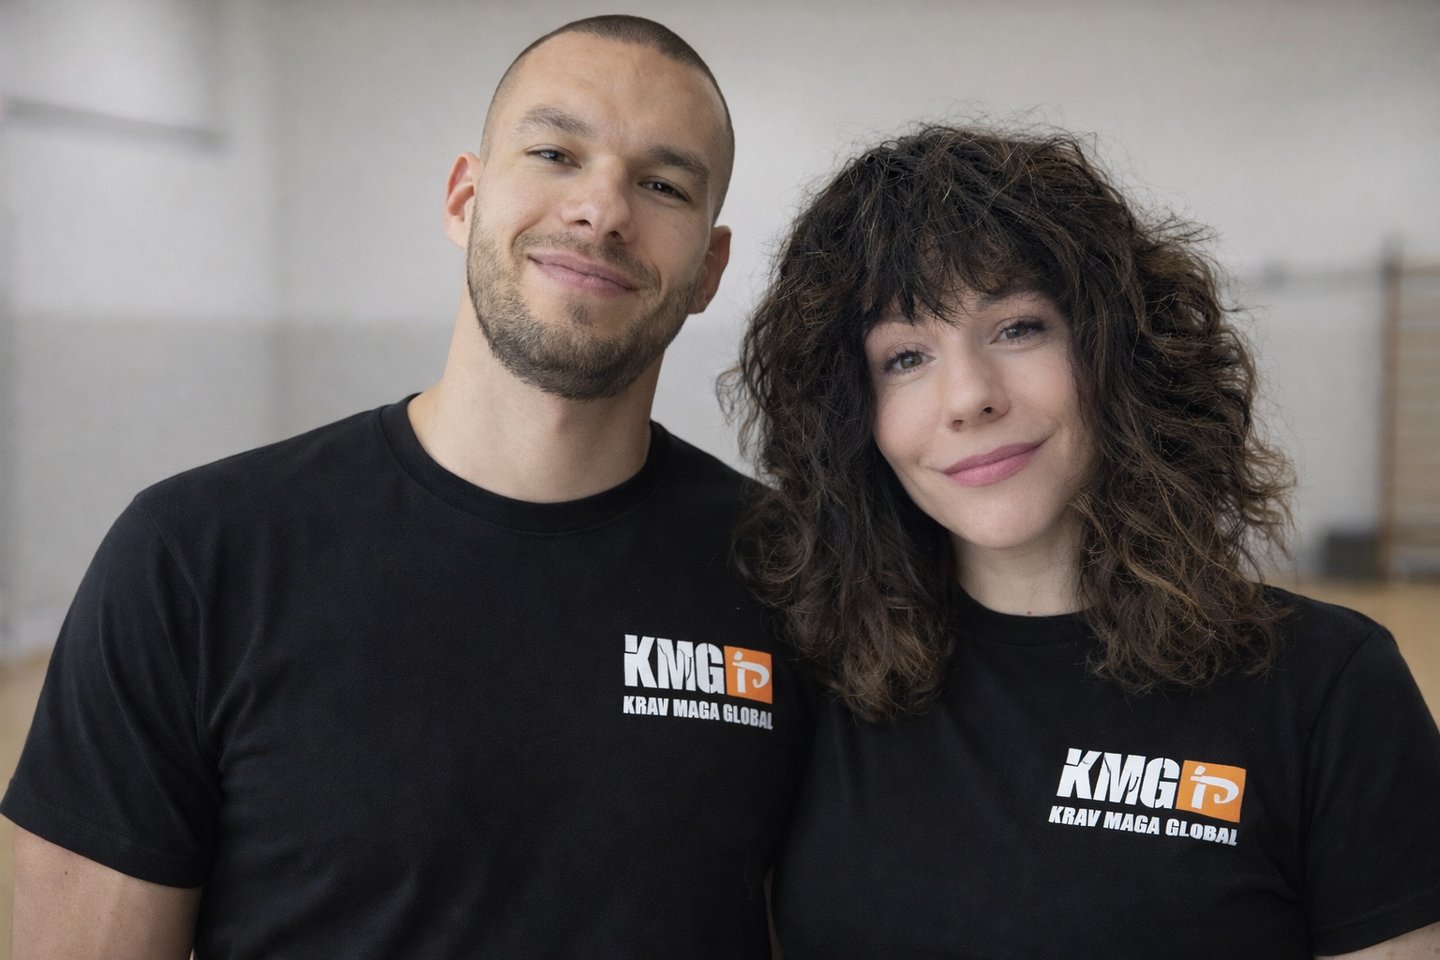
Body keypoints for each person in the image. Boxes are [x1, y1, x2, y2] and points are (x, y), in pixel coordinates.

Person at [4, 16, 813, 958]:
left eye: (662, 183)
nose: (602, 211)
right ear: (464, 198)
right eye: (555, 151)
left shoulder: (791, 577)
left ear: (710, 269)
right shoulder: (194, 558)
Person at [729, 124, 1440, 958]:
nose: (969, 398)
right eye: (906, 356)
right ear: (852, 417)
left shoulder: (1328, 689)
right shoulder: (811, 677)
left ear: (1117, 350)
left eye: (1018, 327)